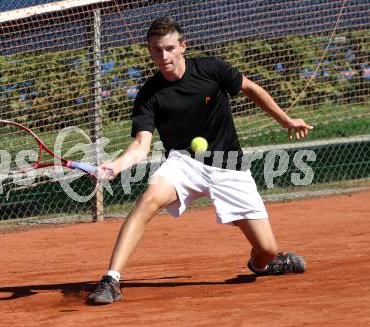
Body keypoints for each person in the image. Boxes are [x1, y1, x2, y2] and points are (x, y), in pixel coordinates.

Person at [87, 17, 313, 305]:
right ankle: (111, 279)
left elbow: (251, 89)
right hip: (184, 162)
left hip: (228, 162)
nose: (163, 56)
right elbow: (141, 146)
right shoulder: (149, 94)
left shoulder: (211, 69)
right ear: (150, 51)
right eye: (156, 50)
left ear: (183, 46)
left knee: (266, 249)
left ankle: (264, 265)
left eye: (169, 48)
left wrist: (286, 120)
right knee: (149, 199)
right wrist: (115, 165)